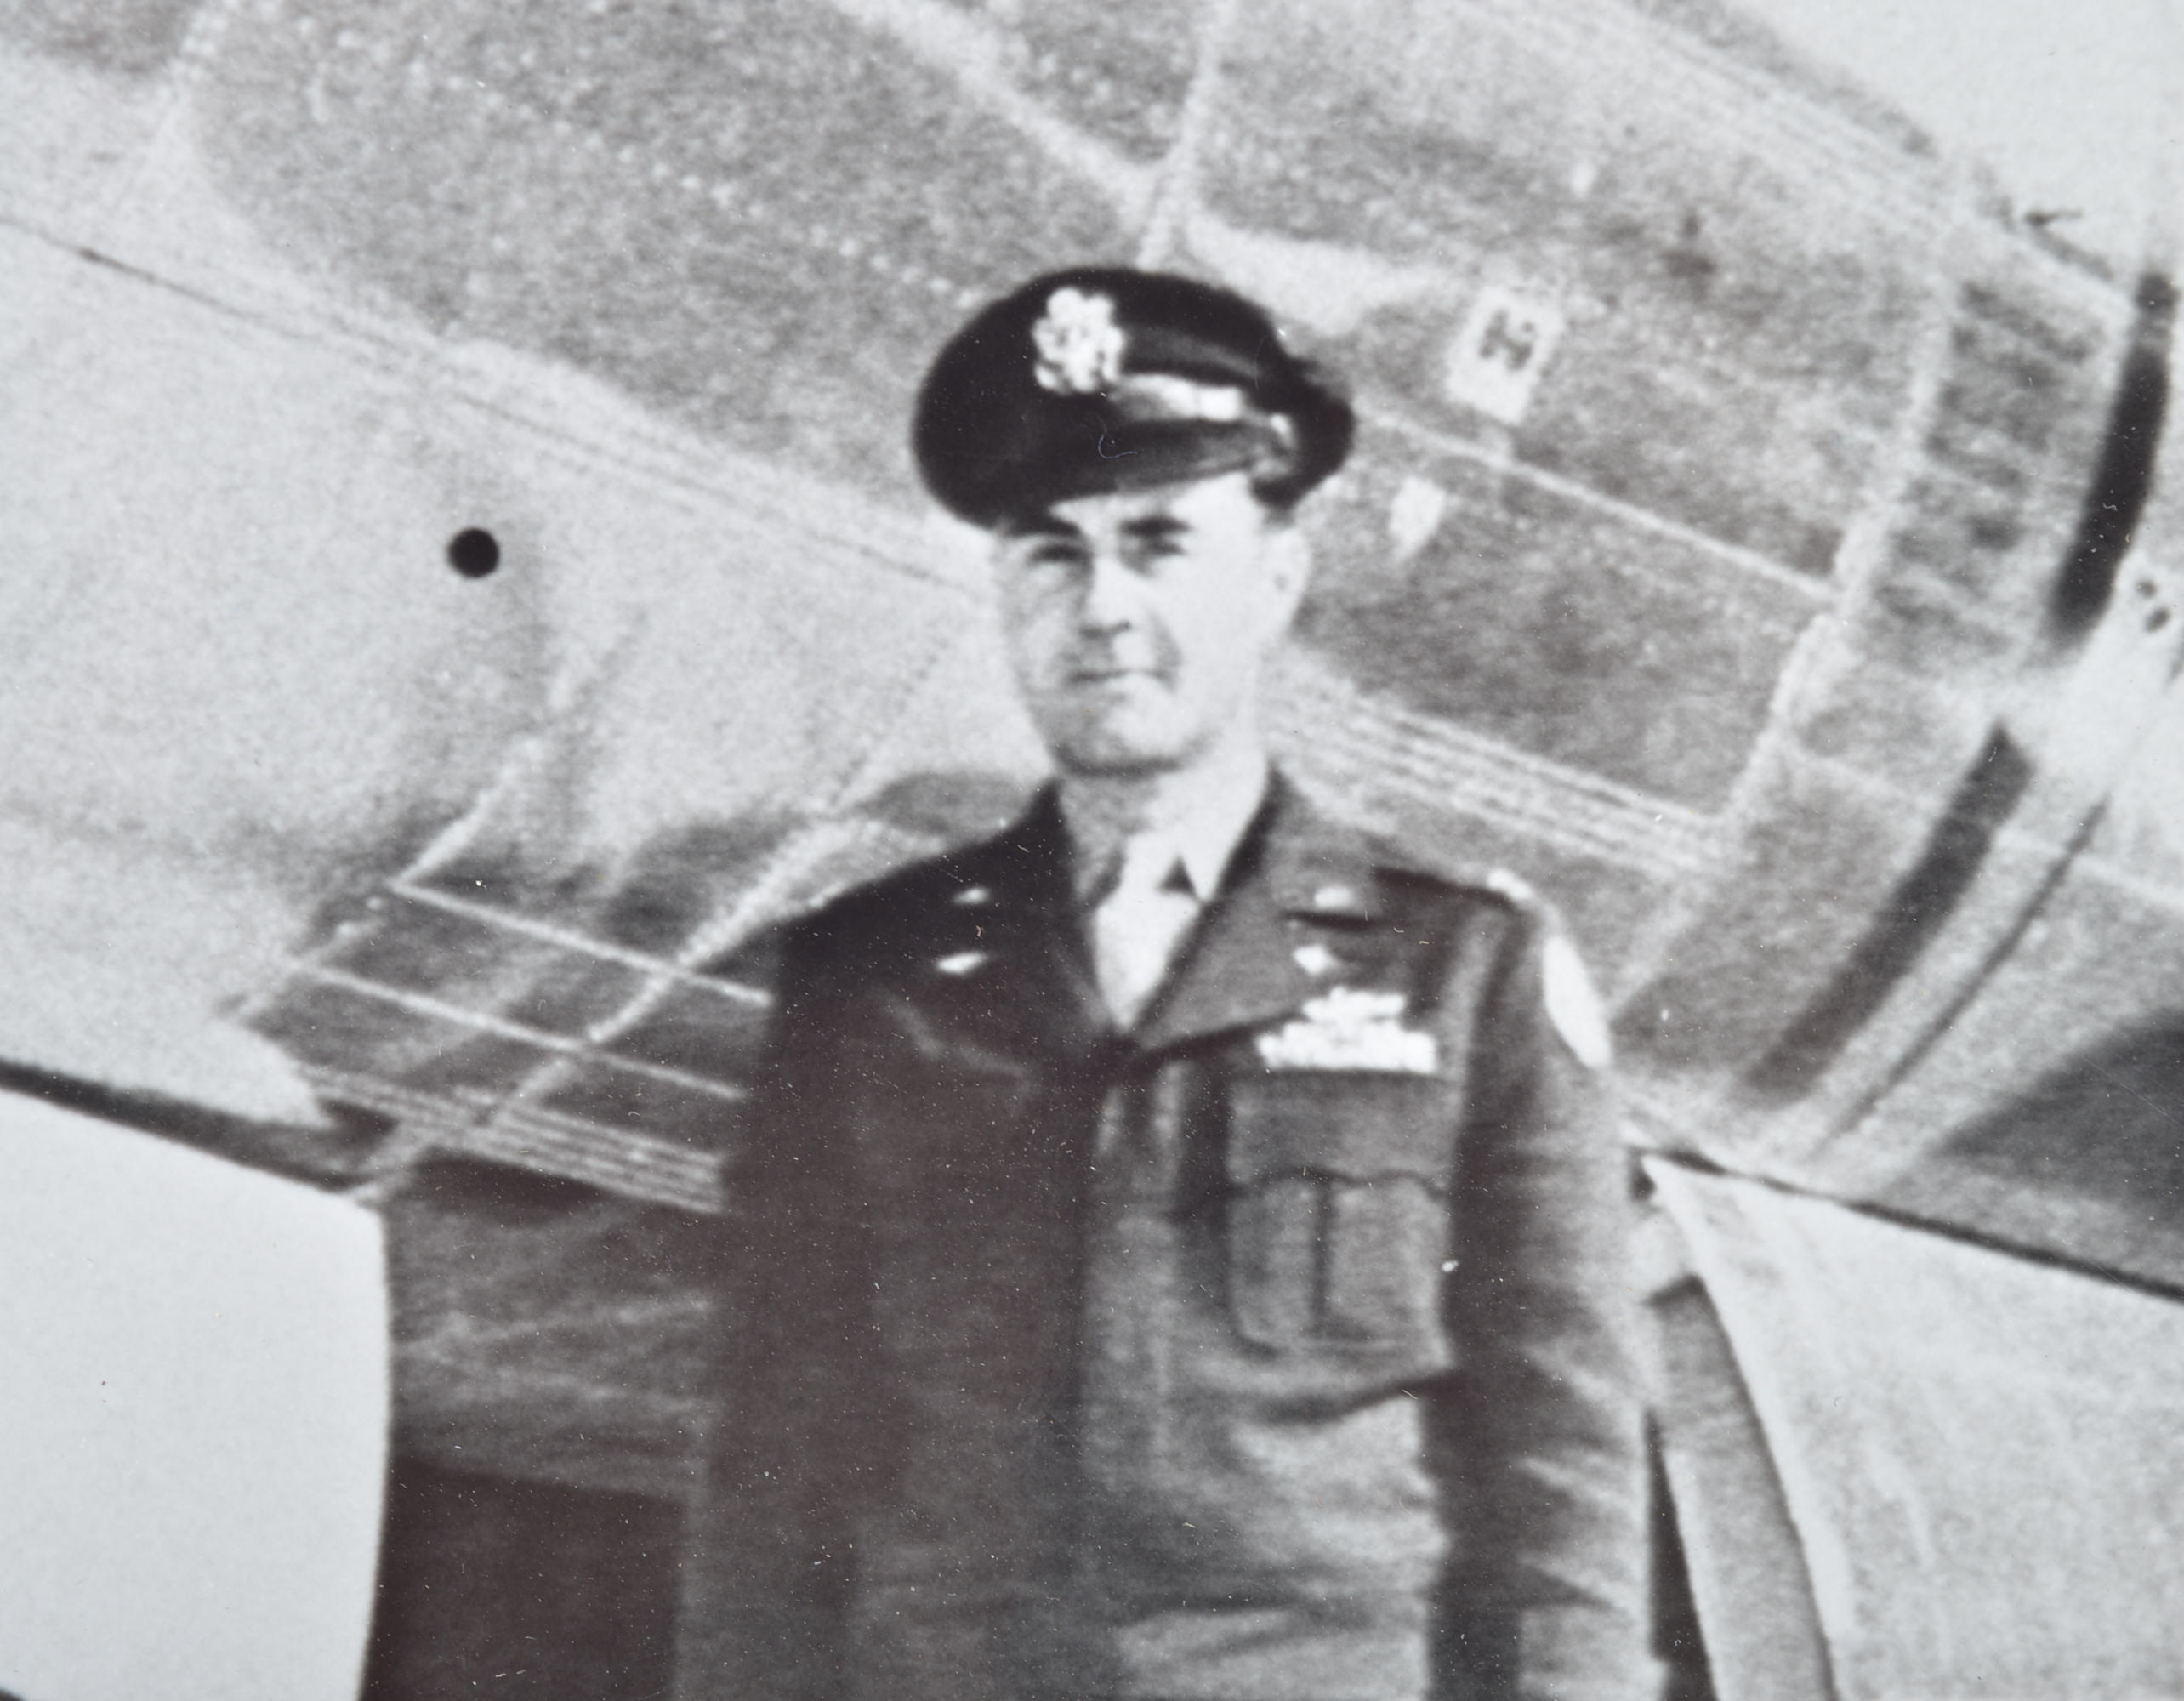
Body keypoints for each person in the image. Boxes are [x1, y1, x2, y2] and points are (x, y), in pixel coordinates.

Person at [675, 268, 1651, 1701]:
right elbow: (777, 1453)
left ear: (1276, 578)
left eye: (1159, 542)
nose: (1103, 608)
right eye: (1050, 555)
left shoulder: (1464, 970)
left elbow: (1566, 1452)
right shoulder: (867, 981)